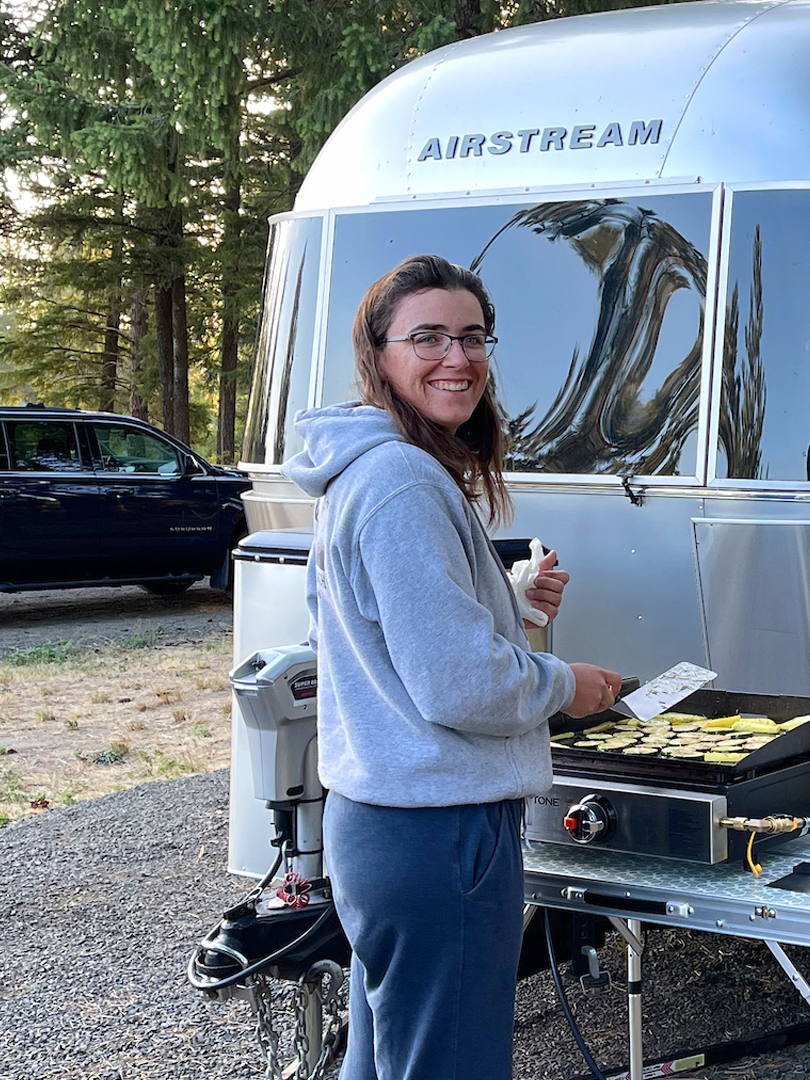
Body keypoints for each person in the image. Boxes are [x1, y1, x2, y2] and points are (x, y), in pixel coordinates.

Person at [283, 254, 622, 1079]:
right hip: (438, 832)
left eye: (472, 337)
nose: (457, 357)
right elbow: (459, 684)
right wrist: (566, 687)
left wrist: (505, 600)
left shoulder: (367, 470)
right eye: (427, 337)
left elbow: (380, 626)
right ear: (379, 353)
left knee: (390, 1060)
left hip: (380, 821)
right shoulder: (402, 481)